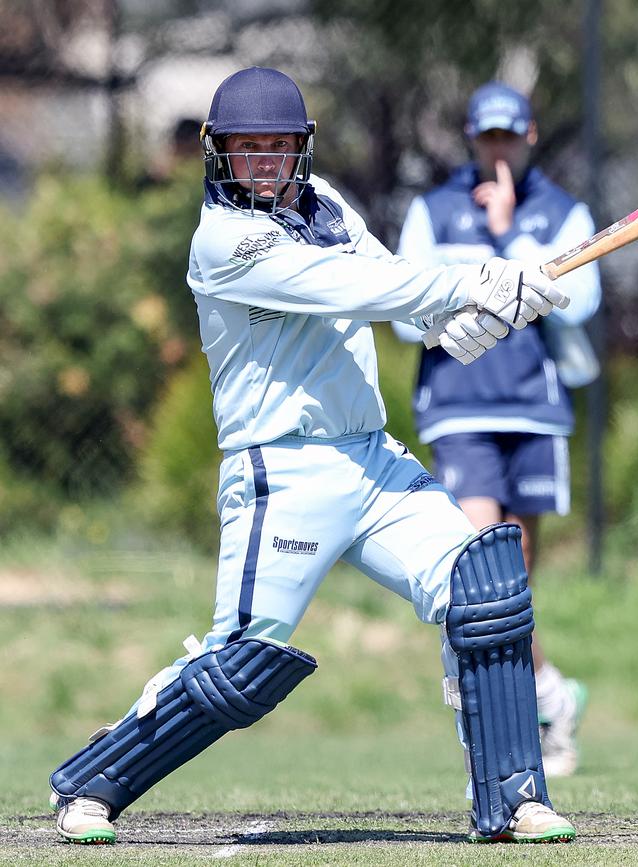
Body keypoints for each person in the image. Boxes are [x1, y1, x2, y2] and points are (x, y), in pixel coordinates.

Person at [49, 67, 576, 846]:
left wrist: (464, 314)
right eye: (245, 147)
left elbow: (388, 278)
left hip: (371, 458)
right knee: (240, 665)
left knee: (484, 590)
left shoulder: (325, 202)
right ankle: (94, 777)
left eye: (277, 145)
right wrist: (475, 281)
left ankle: (514, 796)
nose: (262, 160)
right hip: (281, 473)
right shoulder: (226, 239)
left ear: (301, 147)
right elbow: (347, 286)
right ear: (216, 152)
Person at [394, 81, 602, 778]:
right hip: (458, 408)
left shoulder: (562, 210)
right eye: (487, 137)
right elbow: (400, 317)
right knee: (484, 576)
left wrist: (511, 232)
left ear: (530, 136)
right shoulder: (432, 210)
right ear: (470, 137)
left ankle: (545, 703)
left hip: (534, 409)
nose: (498, 148)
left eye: (509, 136)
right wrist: (475, 289)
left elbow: (585, 300)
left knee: (517, 588)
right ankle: (538, 707)